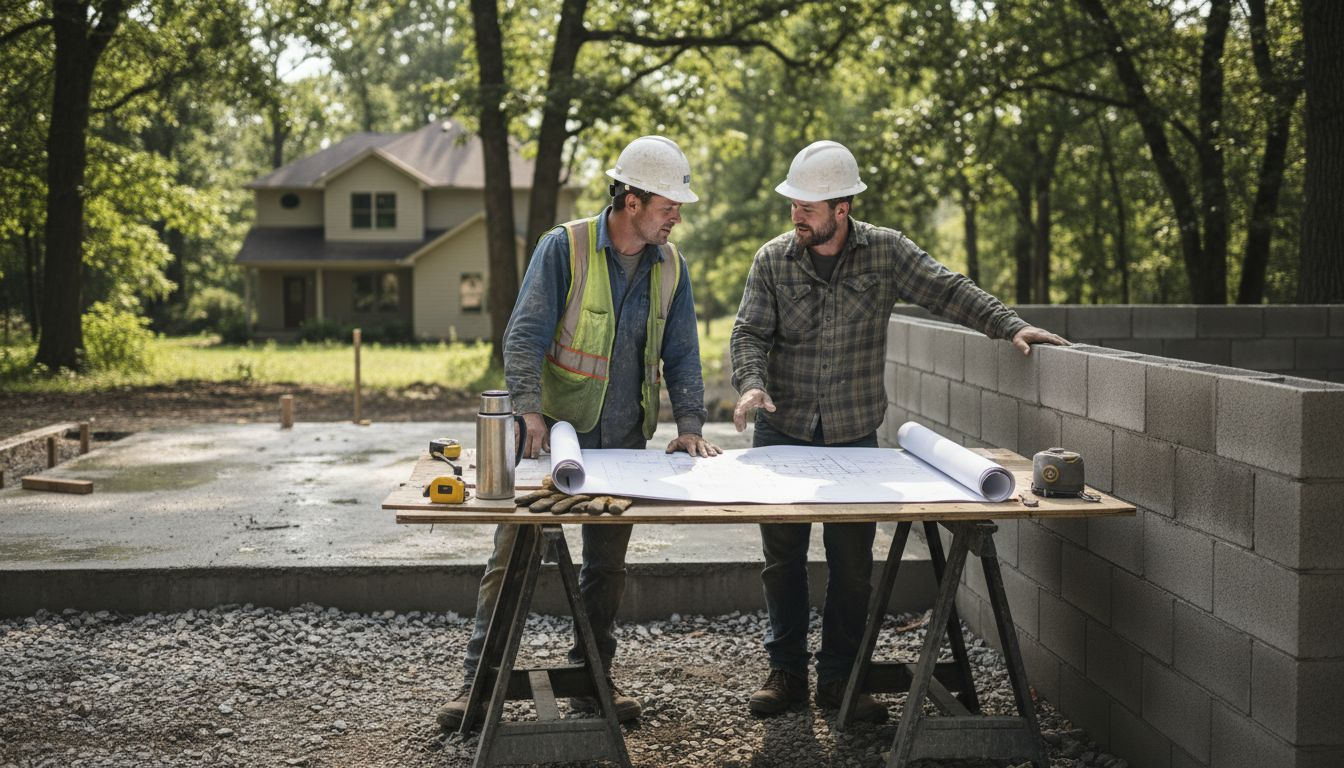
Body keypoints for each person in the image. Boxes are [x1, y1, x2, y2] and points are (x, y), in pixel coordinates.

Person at [730, 140, 1067, 722]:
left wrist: (1008, 324)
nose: (796, 214)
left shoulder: (885, 252)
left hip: (853, 435)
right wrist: (751, 384)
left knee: (852, 565)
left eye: (808, 205)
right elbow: (748, 334)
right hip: (780, 435)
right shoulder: (773, 260)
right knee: (781, 559)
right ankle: (784, 673)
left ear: (842, 207)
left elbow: (947, 288)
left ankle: (840, 680)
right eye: (793, 203)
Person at [437, 135, 722, 731]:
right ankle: (477, 686)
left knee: (606, 567)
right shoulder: (562, 248)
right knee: (512, 556)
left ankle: (593, 680)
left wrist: (690, 425)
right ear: (633, 201)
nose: (677, 217)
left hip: (622, 438)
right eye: (670, 206)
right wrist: (530, 411)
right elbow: (524, 335)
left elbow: (683, 354)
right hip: (548, 436)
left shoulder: (670, 267)